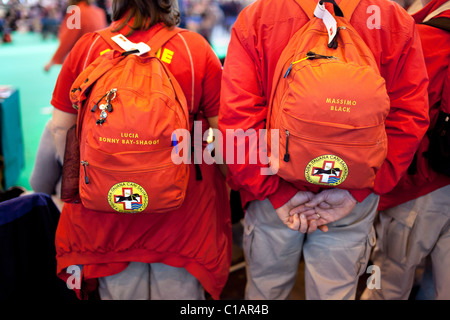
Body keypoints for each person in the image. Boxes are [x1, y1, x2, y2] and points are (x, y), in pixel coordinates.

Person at [219, 0, 430, 300]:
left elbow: (237, 118)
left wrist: (275, 193)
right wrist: (359, 191)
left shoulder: (260, 15)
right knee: (335, 292)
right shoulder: (394, 20)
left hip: (274, 191)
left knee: (266, 291)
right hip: (351, 196)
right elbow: (409, 117)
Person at [50, 0, 231, 300]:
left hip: (105, 218)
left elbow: (61, 129)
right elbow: (224, 138)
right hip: (183, 221)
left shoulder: (87, 48)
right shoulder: (194, 49)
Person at [360, 0, 450, 300]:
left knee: (386, 281)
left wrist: (380, 180)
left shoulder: (425, 37)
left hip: (420, 187)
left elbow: (395, 115)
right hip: (435, 180)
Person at [44, 0, 107, 72]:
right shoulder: (99, 12)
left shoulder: (76, 12)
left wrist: (53, 61)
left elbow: (67, 39)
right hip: (99, 60)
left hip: (82, 62)